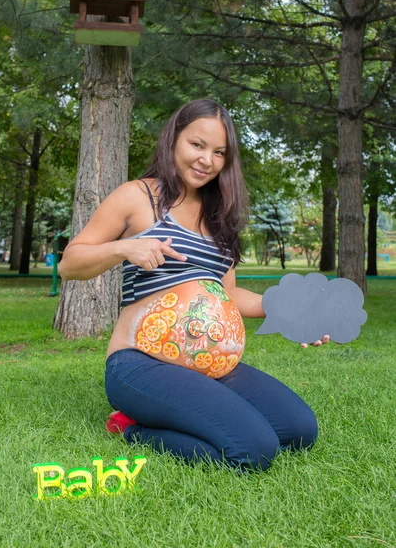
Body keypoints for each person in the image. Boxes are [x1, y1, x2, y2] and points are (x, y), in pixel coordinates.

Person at [59, 99, 329, 472]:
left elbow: (229, 295)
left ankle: (191, 406)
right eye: (197, 145)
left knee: (300, 430)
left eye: (219, 153)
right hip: (139, 364)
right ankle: (131, 428)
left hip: (206, 366)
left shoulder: (219, 218)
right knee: (253, 450)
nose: (207, 160)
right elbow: (70, 264)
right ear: (174, 139)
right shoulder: (138, 197)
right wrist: (125, 247)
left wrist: (291, 311)